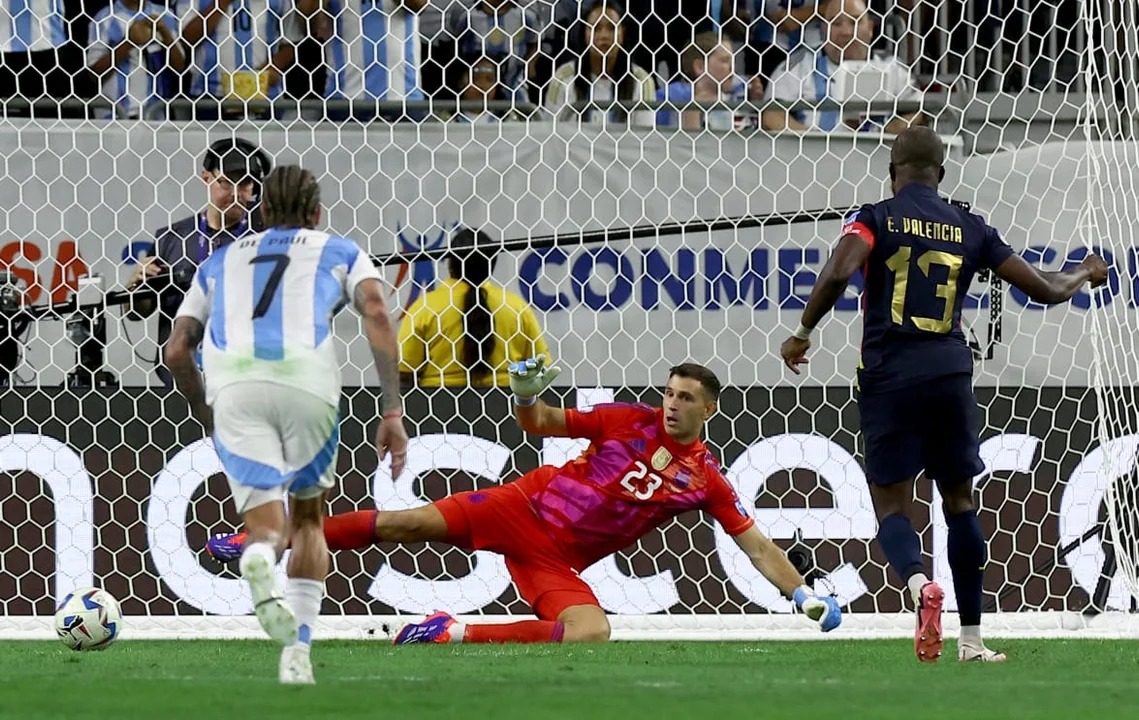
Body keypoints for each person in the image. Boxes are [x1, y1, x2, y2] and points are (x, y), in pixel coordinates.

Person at [207, 359, 843, 643]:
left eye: (684, 398)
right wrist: (526, 391)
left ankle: (452, 632)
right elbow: (540, 424)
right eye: (668, 392)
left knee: (591, 632)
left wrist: (802, 593)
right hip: (522, 507)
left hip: (556, 560)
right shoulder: (626, 419)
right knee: (408, 522)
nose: (671, 403)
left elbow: (754, 544)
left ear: (708, 409)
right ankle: (265, 538)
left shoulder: (706, 480)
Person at [778, 126, 1109, 663]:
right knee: (959, 503)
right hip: (951, 371)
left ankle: (917, 587)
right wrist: (1083, 273)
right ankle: (972, 641)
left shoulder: (876, 217)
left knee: (891, 501)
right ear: (942, 173)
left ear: (892, 170)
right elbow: (1044, 289)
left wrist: (804, 331)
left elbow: (841, 268)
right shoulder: (969, 225)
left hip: (890, 372)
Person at [165, 165, 409, 684]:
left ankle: (258, 553)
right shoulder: (338, 249)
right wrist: (392, 408)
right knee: (308, 524)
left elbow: (177, 349)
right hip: (307, 385)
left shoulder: (218, 260)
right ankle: (296, 653)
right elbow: (377, 311)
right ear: (317, 214)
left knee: (267, 527)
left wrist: (209, 410)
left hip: (235, 388)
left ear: (262, 212)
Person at [125, 138, 269, 387]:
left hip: (248, 381)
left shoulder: (268, 238)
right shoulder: (171, 238)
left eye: (245, 183)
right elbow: (137, 313)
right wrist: (136, 285)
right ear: (207, 178)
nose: (236, 193)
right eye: (227, 181)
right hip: (183, 383)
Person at [399, 227, 549, 387]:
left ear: (450, 262)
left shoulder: (425, 308)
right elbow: (539, 367)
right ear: (492, 265)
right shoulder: (516, 307)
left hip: (438, 405)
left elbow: (405, 373)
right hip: (506, 405)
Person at [761, 0, 924, 134]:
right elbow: (771, 114)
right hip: (812, 163)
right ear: (823, 30)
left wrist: (890, 131)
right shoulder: (798, 65)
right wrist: (815, 141)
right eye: (836, 23)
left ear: (870, 29)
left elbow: (919, 111)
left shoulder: (892, 67)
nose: (846, 32)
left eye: (855, 21)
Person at [544, 0, 657, 128]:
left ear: (622, 34)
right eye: (596, 28)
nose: (604, 36)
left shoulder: (641, 81)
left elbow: (645, 139)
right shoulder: (563, 78)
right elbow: (551, 135)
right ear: (585, 34)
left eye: (612, 28)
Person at [86, 0, 187, 119]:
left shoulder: (165, 14)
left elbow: (179, 67)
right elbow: (94, 73)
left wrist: (165, 34)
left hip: (156, 114)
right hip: (116, 115)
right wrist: (128, 42)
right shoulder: (103, 18)